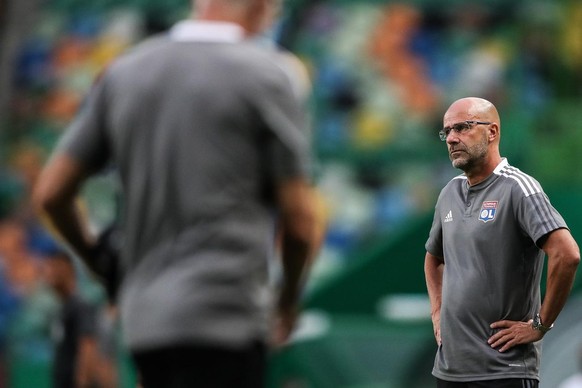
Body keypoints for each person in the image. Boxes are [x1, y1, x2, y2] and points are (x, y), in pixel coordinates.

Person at [32, 0, 320, 387]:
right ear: (262, 9)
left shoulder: (124, 72)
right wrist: (286, 304)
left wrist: (98, 260)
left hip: (145, 324)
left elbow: (52, 193)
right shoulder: (268, 76)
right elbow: (300, 221)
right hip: (226, 317)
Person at [424, 97, 580, 388]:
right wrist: (437, 311)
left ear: (492, 131)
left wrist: (540, 325)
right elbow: (434, 257)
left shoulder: (518, 188)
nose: (452, 138)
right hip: (449, 370)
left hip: (503, 370)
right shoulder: (449, 192)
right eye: (447, 132)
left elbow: (567, 254)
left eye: (462, 127)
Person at [43, 252, 102, 388]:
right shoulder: (62, 307)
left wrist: (82, 381)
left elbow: (87, 345)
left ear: (68, 269)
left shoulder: (79, 306)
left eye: (54, 267)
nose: (49, 273)